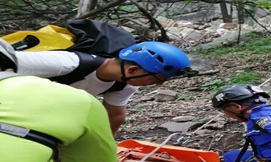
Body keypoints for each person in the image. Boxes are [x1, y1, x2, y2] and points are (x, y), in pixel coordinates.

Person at [12, 41, 193, 135]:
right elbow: (7, 59)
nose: (157, 85)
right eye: (157, 79)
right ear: (133, 69)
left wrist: (105, 149)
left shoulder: (124, 84)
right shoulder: (67, 62)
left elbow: (114, 116)